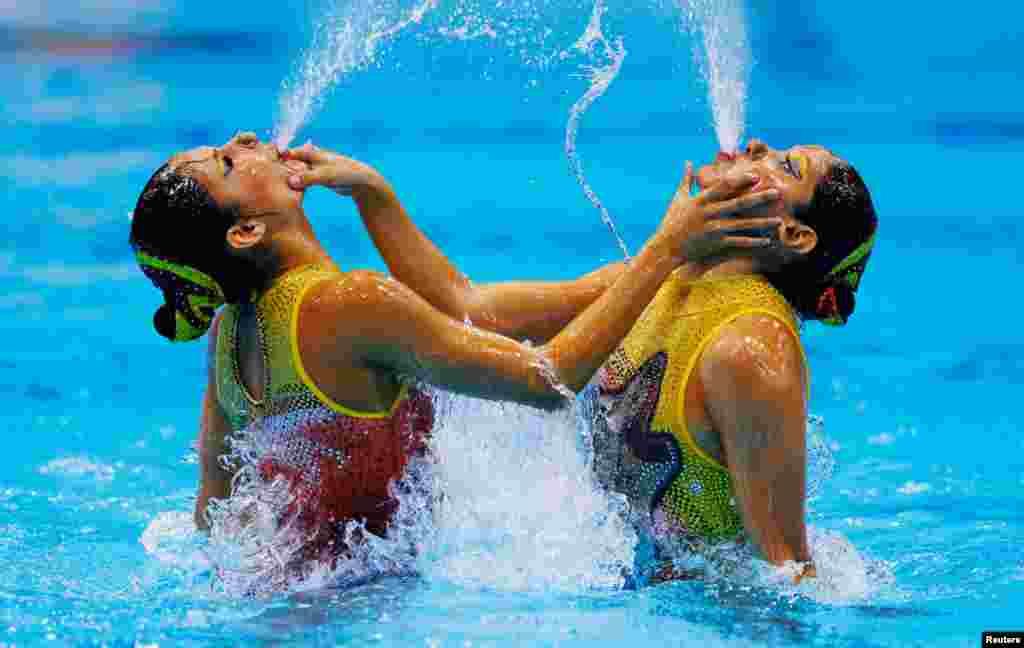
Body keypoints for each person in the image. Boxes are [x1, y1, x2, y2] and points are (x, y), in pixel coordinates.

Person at [128, 132, 781, 577]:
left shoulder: (232, 334)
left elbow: (213, 514)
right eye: (227, 163)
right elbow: (547, 380)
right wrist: (668, 249)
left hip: (288, 601)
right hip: (357, 616)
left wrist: (372, 195)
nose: (244, 140)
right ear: (245, 231)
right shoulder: (350, 304)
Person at [281, 138, 877, 584]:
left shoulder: (751, 348)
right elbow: (471, 309)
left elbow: (785, 577)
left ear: (796, 236)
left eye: (785, 166)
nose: (756, 147)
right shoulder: (646, 286)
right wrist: (372, 194)